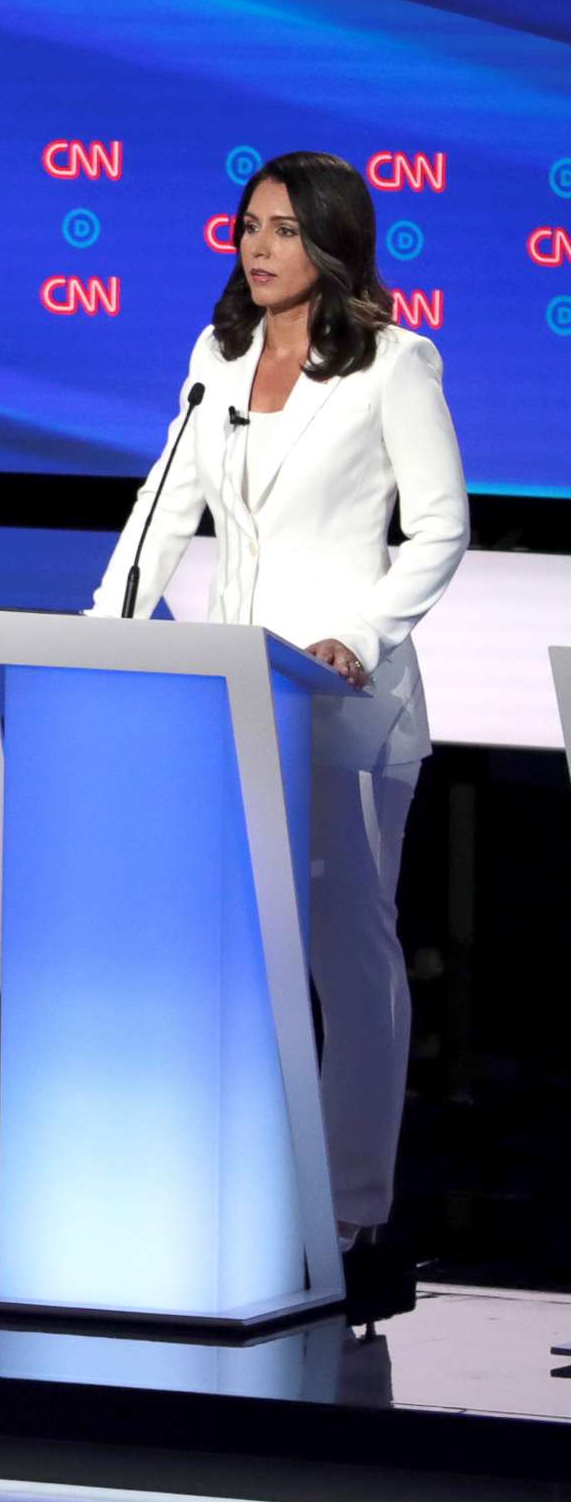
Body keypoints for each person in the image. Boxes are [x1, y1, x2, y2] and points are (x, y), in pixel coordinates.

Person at [91, 150, 467, 1275]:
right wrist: (104, 628)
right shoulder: (219, 358)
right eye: (249, 225)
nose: (258, 246)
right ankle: (237, 1181)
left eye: (285, 229)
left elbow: (439, 527)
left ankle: (353, 1203)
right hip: (230, 695)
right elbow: (167, 514)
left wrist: (363, 632)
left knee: (347, 952)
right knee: (234, 949)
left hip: (341, 701)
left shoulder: (396, 364)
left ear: (335, 246)